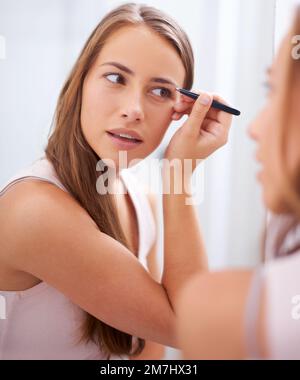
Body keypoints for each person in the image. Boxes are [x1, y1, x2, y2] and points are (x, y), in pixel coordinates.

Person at [0, 3, 232, 359]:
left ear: (180, 112)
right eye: (115, 78)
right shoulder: (34, 210)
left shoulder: (143, 203)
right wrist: (179, 172)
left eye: (160, 91)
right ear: (80, 83)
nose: (134, 109)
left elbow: (148, 355)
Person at [176, 5, 300, 360]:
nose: (254, 129)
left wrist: (177, 173)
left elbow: (183, 320)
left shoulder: (230, 312)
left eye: (274, 90)